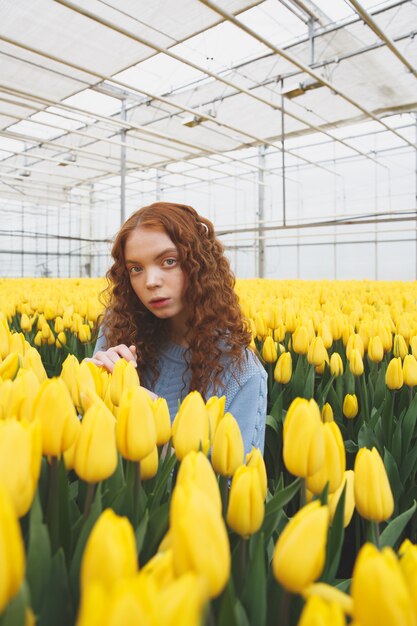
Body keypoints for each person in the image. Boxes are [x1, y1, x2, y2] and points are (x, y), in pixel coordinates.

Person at [90, 202, 267, 455]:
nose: (151, 282)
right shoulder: (118, 329)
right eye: (136, 269)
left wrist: (156, 422)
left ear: (199, 264)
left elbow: (234, 486)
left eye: (169, 261)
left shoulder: (241, 371)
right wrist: (91, 381)